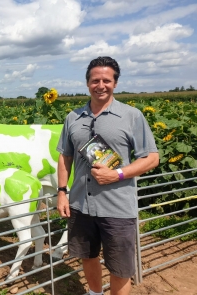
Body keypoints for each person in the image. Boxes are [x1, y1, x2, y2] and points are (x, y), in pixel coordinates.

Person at [56, 56, 159, 295]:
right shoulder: (73, 118)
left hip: (118, 208)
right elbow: (65, 157)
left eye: (106, 80)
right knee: (87, 256)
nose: (100, 85)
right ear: (87, 83)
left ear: (115, 83)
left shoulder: (131, 116)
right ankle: (95, 293)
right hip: (81, 204)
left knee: (120, 268)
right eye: (95, 80)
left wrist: (118, 174)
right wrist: (62, 192)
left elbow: (152, 158)